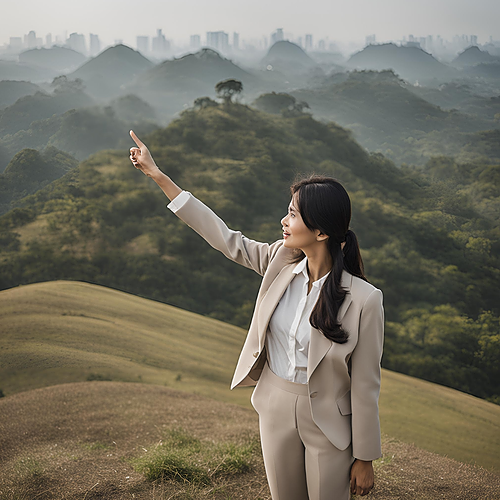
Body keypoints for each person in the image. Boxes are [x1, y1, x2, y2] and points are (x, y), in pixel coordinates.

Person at [128, 129, 385, 499]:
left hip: (329, 421)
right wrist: (158, 176)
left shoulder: (364, 299)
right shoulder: (279, 260)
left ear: (321, 231)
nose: (284, 220)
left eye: (293, 214)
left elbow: (366, 384)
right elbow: (222, 237)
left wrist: (365, 456)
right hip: (275, 405)